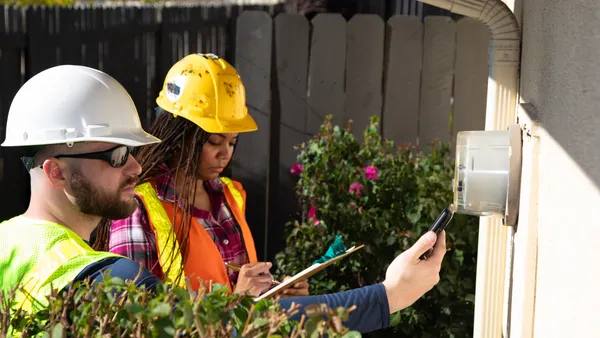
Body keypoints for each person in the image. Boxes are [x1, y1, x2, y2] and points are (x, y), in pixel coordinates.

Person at [0, 64, 447, 334]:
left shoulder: (8, 243)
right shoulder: (97, 276)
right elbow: (225, 327)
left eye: (134, 151)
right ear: (56, 171)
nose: (136, 167)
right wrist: (390, 295)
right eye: (118, 155)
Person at [92, 53, 307, 298]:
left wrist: (275, 292)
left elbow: (238, 286)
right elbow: (134, 312)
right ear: (178, 136)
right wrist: (235, 303)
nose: (225, 154)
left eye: (232, 142)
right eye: (215, 142)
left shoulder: (230, 196)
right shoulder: (136, 209)